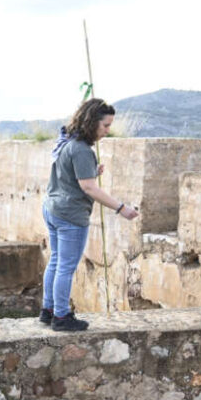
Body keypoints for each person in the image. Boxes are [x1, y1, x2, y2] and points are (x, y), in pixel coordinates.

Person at [41, 99, 140, 331]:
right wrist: (121, 208)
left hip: (53, 208)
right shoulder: (82, 149)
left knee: (55, 261)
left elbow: (70, 175)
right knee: (66, 266)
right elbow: (89, 188)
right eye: (105, 125)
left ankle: (48, 310)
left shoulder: (68, 142)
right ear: (92, 122)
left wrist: (91, 171)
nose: (108, 130)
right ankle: (61, 317)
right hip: (70, 215)